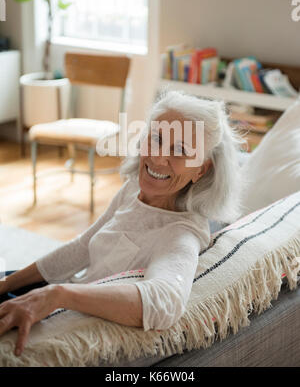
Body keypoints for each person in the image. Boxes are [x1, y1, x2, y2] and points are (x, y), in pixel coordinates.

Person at [0, 91, 245, 357]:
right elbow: (82, 246)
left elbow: (165, 303)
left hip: (70, 314)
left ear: (201, 170)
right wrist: (7, 284)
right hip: (70, 288)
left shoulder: (181, 233)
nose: (159, 158)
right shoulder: (134, 189)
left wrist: (58, 295)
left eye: (180, 151)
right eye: (157, 139)